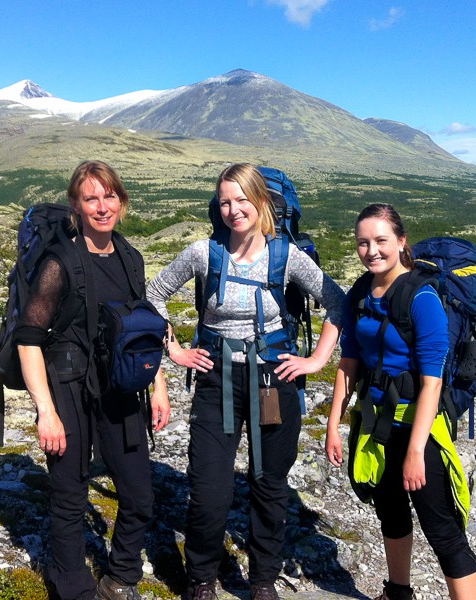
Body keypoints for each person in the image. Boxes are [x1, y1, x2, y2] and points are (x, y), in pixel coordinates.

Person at [146, 163, 346, 600]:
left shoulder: (287, 256)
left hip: (272, 380)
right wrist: (175, 350)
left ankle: (262, 581)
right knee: (208, 488)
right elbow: (153, 294)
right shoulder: (204, 253)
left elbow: (338, 304)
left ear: (261, 202)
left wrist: (315, 361)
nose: (234, 210)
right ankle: (200, 580)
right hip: (216, 380)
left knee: (269, 484)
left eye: (242, 200)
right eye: (225, 202)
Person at [15, 160, 170, 600]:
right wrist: (46, 412)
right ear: (76, 205)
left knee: (139, 495)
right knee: (69, 496)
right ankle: (73, 589)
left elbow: (139, 327)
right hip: (67, 385)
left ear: (121, 201)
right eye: (91, 198)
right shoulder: (59, 263)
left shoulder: (129, 257)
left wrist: (157, 384)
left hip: (119, 386)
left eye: (109, 196)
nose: (102, 207)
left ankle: (120, 579)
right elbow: (29, 340)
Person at [324, 203, 476, 600]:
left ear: (401, 242)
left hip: (420, 428)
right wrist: (333, 426)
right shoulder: (360, 292)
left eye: (381, 241)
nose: (371, 250)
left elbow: (431, 384)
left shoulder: (422, 299)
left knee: (441, 527)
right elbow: (349, 362)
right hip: (376, 424)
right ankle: (397, 592)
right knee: (391, 513)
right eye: (363, 242)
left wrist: (415, 451)